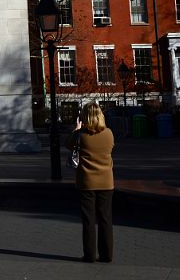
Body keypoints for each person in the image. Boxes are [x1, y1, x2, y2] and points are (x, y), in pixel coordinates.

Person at [69, 101, 114, 263]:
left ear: (85, 117)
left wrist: (76, 129)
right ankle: (107, 254)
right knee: (105, 219)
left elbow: (68, 145)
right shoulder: (109, 133)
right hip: (106, 182)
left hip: (87, 182)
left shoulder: (80, 135)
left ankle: (89, 255)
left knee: (89, 220)